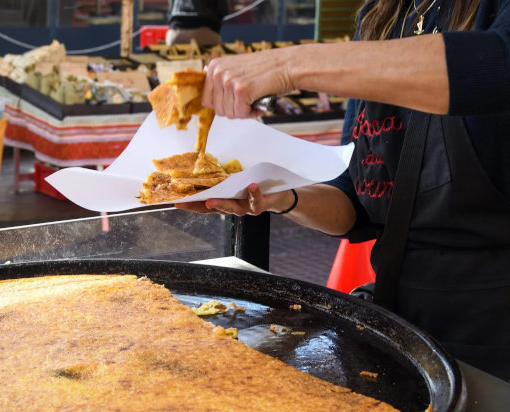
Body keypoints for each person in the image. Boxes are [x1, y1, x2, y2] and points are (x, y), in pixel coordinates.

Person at [176, 0, 510, 380]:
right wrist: (279, 195)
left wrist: (289, 65)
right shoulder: (383, 18)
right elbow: (353, 202)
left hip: (494, 333)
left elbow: (498, 63)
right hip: (400, 322)